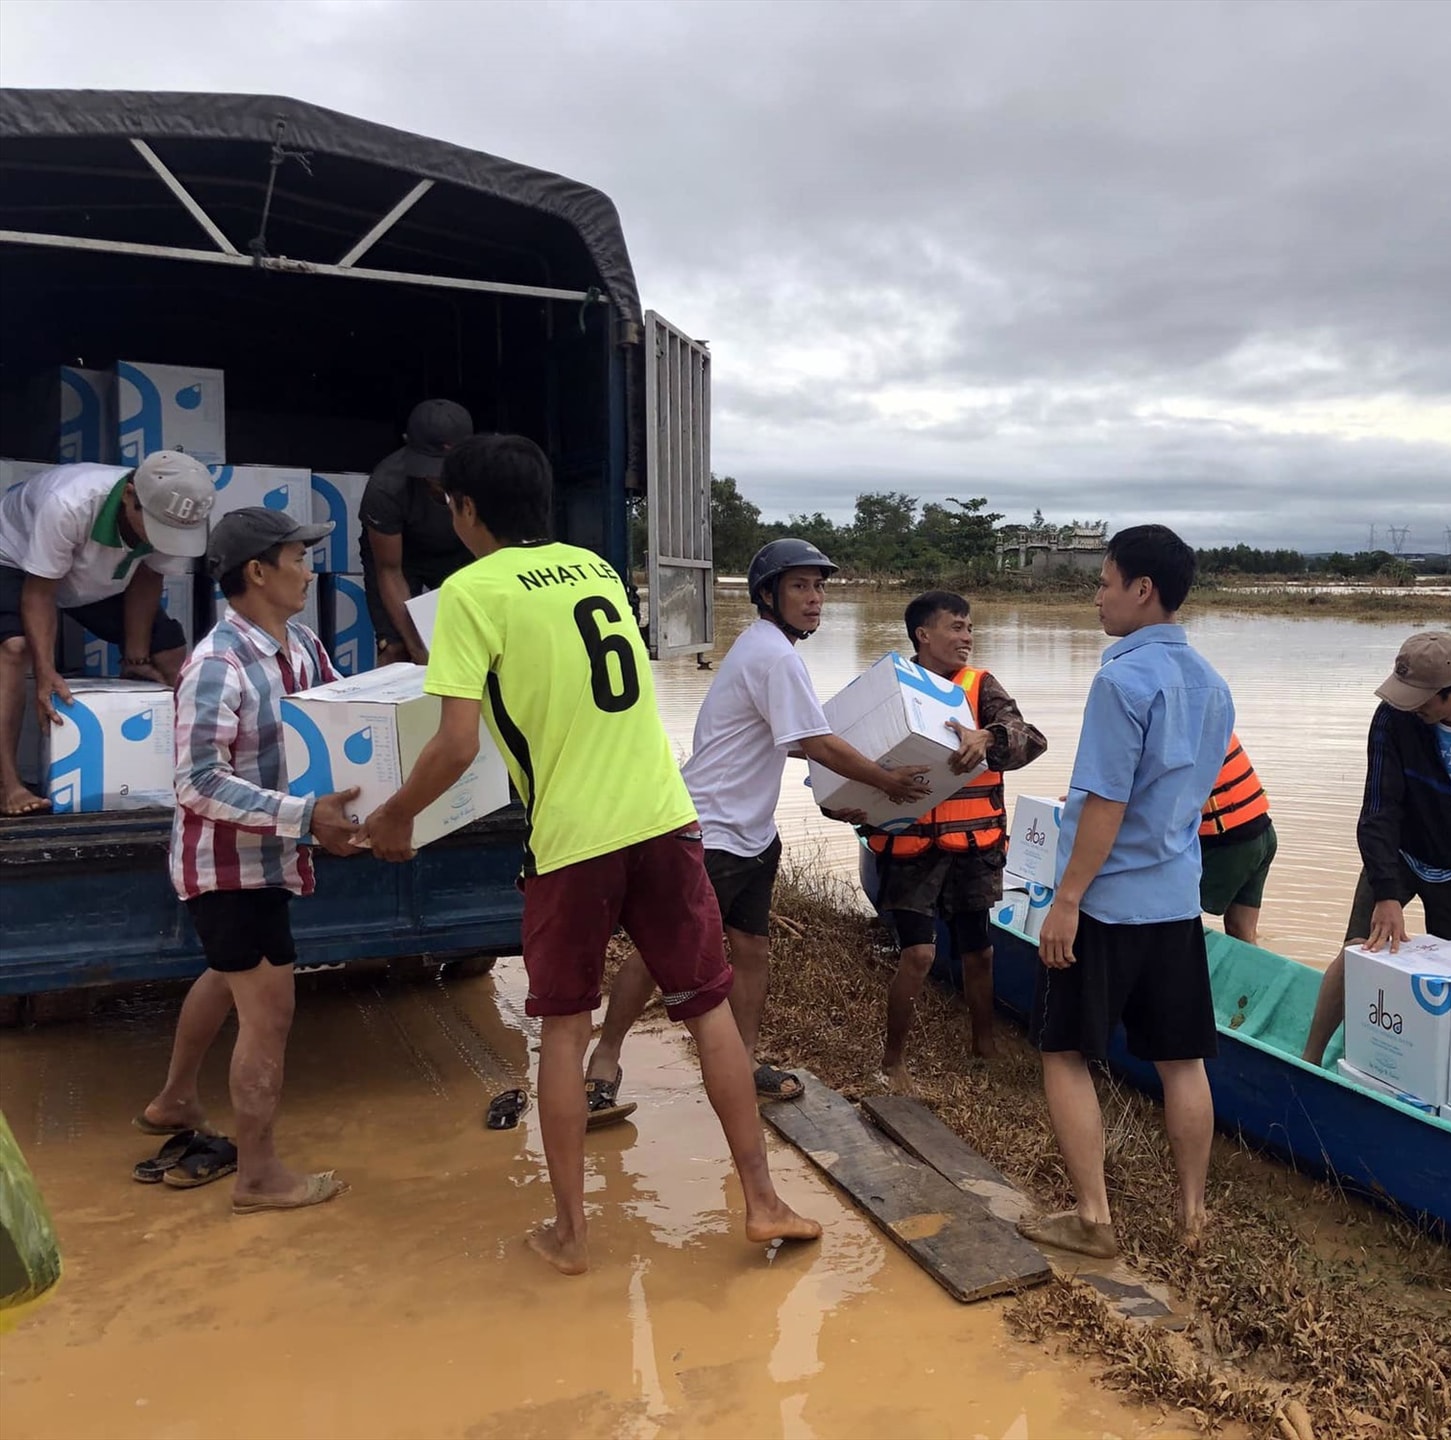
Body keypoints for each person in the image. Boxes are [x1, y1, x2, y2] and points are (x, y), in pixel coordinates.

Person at [358, 436, 823, 1275]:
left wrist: (394, 817)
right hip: (667, 817)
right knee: (708, 1007)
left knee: (565, 1034)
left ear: (464, 510)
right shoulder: (597, 568)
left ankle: (572, 1236)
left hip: (573, 840)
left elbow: (457, 744)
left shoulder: (467, 593)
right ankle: (762, 1201)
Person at [586, 538, 931, 1108]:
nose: (815, 599)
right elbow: (818, 742)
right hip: (709, 831)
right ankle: (605, 1058)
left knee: (751, 950)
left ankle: (744, 1062)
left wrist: (840, 796)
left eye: (819, 587)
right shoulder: (774, 655)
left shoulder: (765, 649)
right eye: (800, 586)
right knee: (659, 952)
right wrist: (885, 781)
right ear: (767, 595)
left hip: (751, 833)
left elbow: (791, 742)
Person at [1018, 525, 1233, 1260]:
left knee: (1065, 1050)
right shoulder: (1212, 683)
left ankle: (1093, 1217)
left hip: (1108, 900)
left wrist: (1067, 899)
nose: (1098, 596)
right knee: (1181, 1060)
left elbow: (1106, 803)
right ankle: (1193, 1213)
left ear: (1143, 589)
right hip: (1175, 898)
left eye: (1105, 581)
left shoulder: (1120, 681)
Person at [137, 507, 358, 1213]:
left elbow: (340, 717)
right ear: (258, 572)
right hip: (229, 868)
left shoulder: (302, 647)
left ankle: (174, 1099)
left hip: (268, 857)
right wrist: (304, 816)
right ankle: (258, 1175)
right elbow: (195, 782)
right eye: (297, 556)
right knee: (269, 1014)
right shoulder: (216, 664)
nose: (308, 568)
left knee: (229, 978)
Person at [1301, 631, 1451, 1066]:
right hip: (1398, 857)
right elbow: (1378, 809)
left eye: (1421, 699)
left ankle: (1448, 1075)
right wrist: (1385, 891)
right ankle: (1309, 1058)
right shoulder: (1393, 718)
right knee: (1359, 951)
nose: (1409, 706)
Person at [852, 590, 1048, 1093]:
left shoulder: (980, 686)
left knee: (978, 952)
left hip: (973, 843)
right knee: (918, 955)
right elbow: (843, 756)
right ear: (924, 634)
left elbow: (1031, 738)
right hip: (910, 846)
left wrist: (991, 737)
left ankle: (984, 1047)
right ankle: (892, 1062)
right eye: (957, 628)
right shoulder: (887, 686)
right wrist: (845, 806)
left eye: (969, 628)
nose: (967, 637)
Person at [0, 453, 214, 815]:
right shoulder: (68, 503)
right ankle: (8, 784)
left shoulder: (176, 515)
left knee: (170, 651)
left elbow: (148, 578)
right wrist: (46, 674)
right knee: (14, 649)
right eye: (156, 526)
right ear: (130, 495)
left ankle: (190, 774)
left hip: (92, 575)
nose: (164, 537)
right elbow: (40, 593)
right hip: (17, 560)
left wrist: (136, 658)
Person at [359, 398, 474, 665]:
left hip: (462, 551)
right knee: (397, 649)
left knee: (469, 640)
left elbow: (495, 555)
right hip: (401, 558)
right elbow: (389, 570)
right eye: (431, 469)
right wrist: (417, 647)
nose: (439, 479)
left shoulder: (487, 477)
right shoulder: (385, 487)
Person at [1198, 733, 1275, 944]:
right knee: (1243, 932)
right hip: (1262, 832)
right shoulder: (1212, 711)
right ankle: (1256, 976)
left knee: (1168, 919)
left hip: (1229, 844)